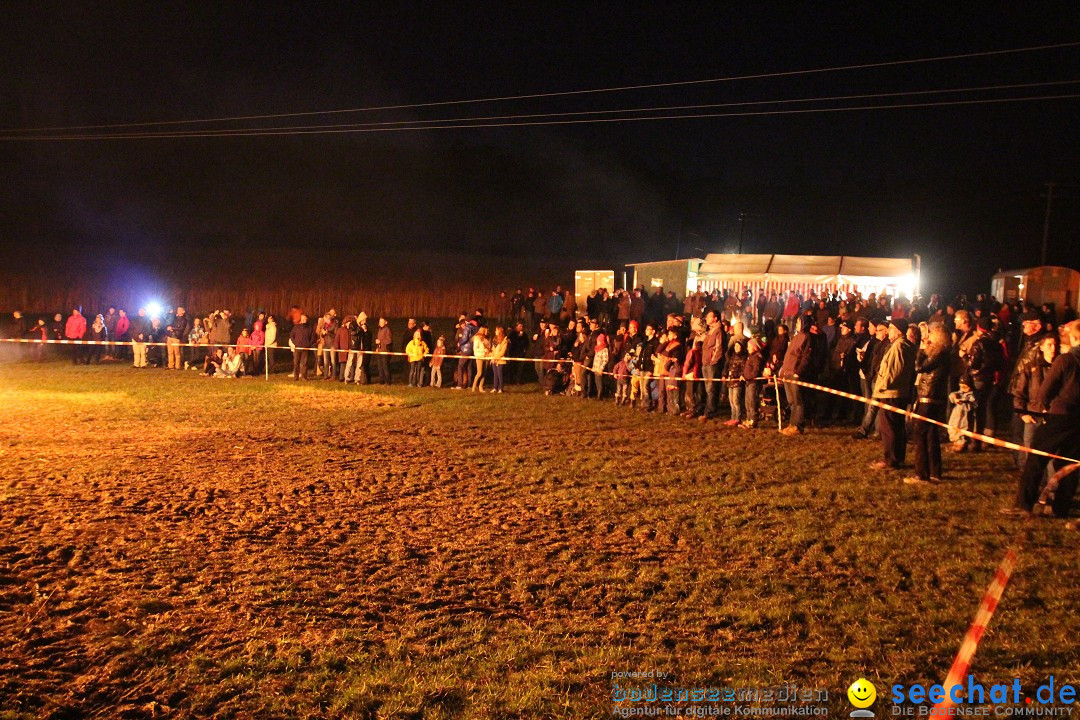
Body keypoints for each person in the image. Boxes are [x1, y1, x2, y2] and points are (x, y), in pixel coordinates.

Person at [1006, 320, 1080, 519]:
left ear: (1074, 337)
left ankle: (1024, 504)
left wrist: (1044, 406)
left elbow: (1046, 389)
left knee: (1036, 458)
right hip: (1078, 420)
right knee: (1070, 464)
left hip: (1059, 416)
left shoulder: (1066, 360)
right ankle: (1060, 507)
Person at [904, 323, 951, 485]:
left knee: (920, 433)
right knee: (931, 435)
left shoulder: (939, 352)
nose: (927, 336)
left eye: (930, 333)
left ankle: (921, 474)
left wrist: (922, 349)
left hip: (929, 397)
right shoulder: (942, 352)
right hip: (931, 397)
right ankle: (934, 472)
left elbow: (919, 367)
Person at [870, 318, 917, 470]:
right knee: (896, 426)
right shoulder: (903, 346)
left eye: (890, 328)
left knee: (889, 427)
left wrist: (880, 388)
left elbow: (894, 372)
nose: (888, 331)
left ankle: (890, 458)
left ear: (898, 330)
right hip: (896, 392)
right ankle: (897, 457)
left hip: (891, 393)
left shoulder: (899, 347)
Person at [1011, 333, 1058, 467]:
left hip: (1052, 417)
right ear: (1042, 347)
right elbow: (1020, 392)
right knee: (1031, 457)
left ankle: (1050, 486)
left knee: (1052, 458)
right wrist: (1023, 414)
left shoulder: (1061, 367)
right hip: (1033, 416)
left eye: (1055, 344)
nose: (1053, 348)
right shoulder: (1031, 368)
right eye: (1049, 345)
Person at [778, 315, 813, 435]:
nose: (796, 325)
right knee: (791, 401)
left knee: (798, 401)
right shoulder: (796, 337)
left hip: (794, 373)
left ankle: (798, 425)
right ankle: (792, 423)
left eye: (798, 322)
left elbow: (805, 357)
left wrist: (798, 372)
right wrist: (783, 370)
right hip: (787, 372)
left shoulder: (806, 337)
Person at [289, 314, 314, 380]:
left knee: (304, 363)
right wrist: (295, 343)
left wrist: (308, 344)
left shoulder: (310, 328)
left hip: (305, 348)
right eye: (302, 318)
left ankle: (304, 377)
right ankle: (296, 377)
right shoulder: (296, 327)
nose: (303, 320)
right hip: (297, 348)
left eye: (304, 319)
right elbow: (291, 335)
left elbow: (313, 337)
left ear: (307, 319)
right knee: (296, 363)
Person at [472, 326, 492, 392]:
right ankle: (474, 386)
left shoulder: (488, 338)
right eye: (486, 330)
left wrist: (488, 351)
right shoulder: (477, 338)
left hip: (486, 357)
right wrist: (483, 350)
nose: (487, 331)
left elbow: (489, 347)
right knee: (479, 372)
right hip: (480, 356)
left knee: (484, 373)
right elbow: (475, 349)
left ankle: (481, 386)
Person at [375, 317, 393, 384]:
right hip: (379, 351)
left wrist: (380, 342)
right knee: (380, 367)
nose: (380, 323)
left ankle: (387, 381)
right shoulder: (379, 330)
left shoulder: (387, 330)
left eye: (382, 321)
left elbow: (389, 340)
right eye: (379, 321)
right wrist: (377, 347)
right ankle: (381, 381)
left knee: (385, 367)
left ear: (385, 322)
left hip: (385, 351)